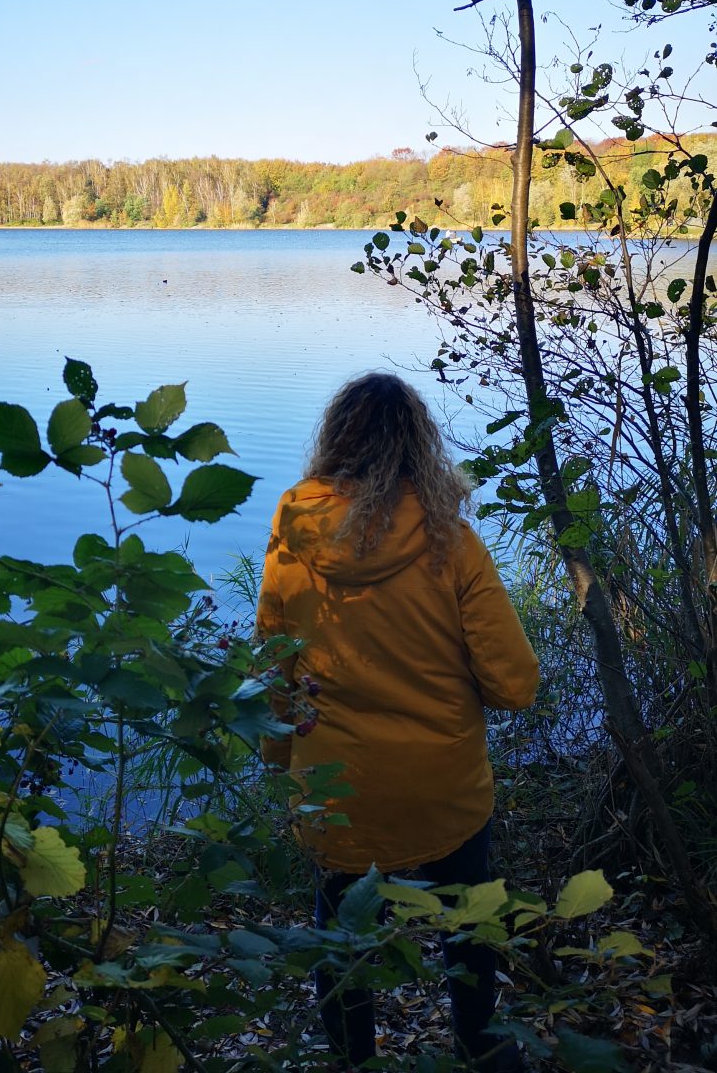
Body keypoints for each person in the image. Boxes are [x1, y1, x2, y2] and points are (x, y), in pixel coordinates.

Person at [256, 373, 539, 1071]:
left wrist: (276, 756)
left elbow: (273, 674)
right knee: (469, 928)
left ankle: (355, 1060)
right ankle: (480, 1047)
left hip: (337, 789)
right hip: (444, 789)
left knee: (342, 941)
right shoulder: (453, 544)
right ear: (420, 445)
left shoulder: (292, 539)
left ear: (334, 441)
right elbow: (514, 685)